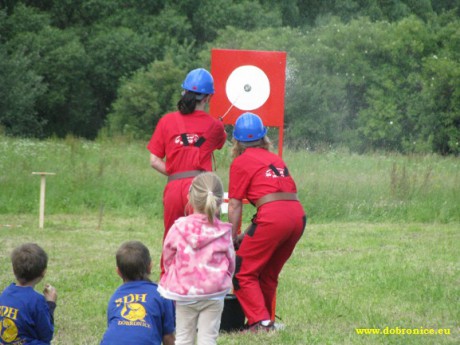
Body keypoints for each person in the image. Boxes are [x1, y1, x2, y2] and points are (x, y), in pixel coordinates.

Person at [228, 112, 307, 332]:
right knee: (268, 272)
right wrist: (247, 235)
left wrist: (232, 237)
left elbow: (235, 205)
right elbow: (278, 199)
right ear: (264, 138)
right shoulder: (276, 159)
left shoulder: (241, 162)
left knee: (242, 271)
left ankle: (260, 323)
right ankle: (268, 320)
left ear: (237, 141)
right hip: (297, 217)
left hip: (273, 217)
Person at [147, 68, 227, 275]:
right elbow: (219, 142)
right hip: (201, 189)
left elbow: (154, 161)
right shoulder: (214, 126)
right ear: (208, 97)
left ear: (184, 92)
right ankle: (203, 283)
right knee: (204, 238)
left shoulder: (166, 121)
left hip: (174, 186)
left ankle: (169, 285)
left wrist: (177, 174)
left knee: (172, 238)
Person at [158, 172, 235, 345]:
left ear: (189, 197)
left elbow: (168, 258)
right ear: (220, 201)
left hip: (184, 293)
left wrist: (173, 275)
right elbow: (231, 262)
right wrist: (226, 279)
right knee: (208, 338)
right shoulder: (224, 232)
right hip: (214, 293)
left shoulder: (178, 227)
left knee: (184, 338)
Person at [100, 241, 175, 345]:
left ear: (118, 272)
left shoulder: (115, 296)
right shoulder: (161, 294)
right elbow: (168, 337)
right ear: (150, 266)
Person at [0, 243, 57, 344]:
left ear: (13, 270)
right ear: (43, 272)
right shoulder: (37, 301)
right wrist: (51, 304)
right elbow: (47, 335)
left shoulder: (5, 293)